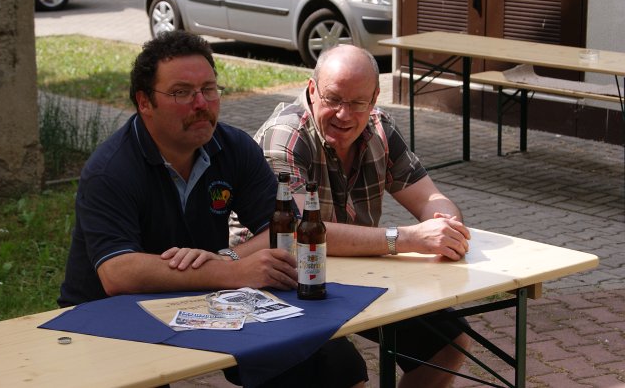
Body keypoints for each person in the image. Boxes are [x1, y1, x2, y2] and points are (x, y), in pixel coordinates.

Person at [57, 30, 367, 388]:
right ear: (144, 102)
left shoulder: (233, 147)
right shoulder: (110, 169)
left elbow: (285, 227)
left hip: (202, 297)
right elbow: (118, 274)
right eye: (181, 93)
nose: (201, 103)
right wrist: (233, 272)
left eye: (208, 89)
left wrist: (227, 260)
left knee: (335, 363)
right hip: (105, 316)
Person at [231, 44, 472, 388]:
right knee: (344, 373)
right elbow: (303, 230)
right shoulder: (285, 135)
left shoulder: (380, 128)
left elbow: (429, 196)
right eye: (333, 99)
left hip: (349, 280)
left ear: (374, 99)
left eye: (358, 102)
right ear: (312, 91)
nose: (345, 114)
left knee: (448, 343)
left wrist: (445, 223)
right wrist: (407, 238)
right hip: (275, 284)